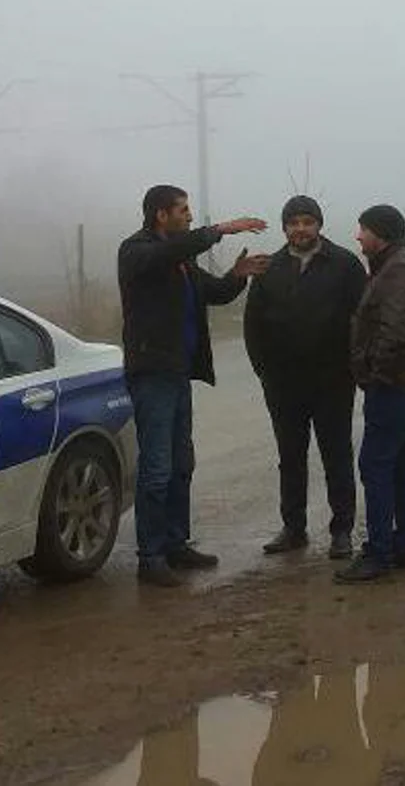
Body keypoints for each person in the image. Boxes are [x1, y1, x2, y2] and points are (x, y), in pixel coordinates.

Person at [118, 184, 271, 588]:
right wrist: (222, 229)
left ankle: (175, 543)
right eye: (182, 210)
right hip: (152, 375)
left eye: (189, 210)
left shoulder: (182, 263)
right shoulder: (137, 252)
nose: (189, 215)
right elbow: (168, 252)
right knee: (156, 468)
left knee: (181, 464)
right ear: (160, 215)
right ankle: (149, 557)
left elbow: (215, 293)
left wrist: (238, 277)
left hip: (178, 374)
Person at [244, 195, 367, 560]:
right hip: (283, 384)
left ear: (319, 226)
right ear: (285, 228)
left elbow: (363, 320)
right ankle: (293, 528)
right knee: (290, 457)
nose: (301, 229)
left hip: (333, 381)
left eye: (307, 222)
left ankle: (342, 530)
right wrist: (264, 371)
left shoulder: (344, 265)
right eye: (294, 223)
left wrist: (354, 369)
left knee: (337, 455)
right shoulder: (269, 268)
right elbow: (253, 325)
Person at [335, 204, 405, 584]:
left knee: (375, 465)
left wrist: (371, 372)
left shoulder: (399, 271)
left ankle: (379, 552)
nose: (358, 236)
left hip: (394, 384)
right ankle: (402, 545)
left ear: (381, 233)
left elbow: (394, 330)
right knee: (402, 464)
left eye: (363, 230)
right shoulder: (395, 265)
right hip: (403, 381)